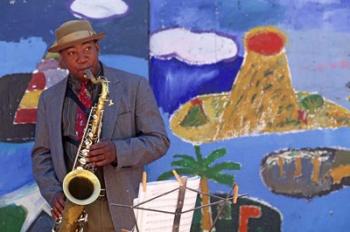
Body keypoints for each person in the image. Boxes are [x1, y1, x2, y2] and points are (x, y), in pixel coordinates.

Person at [31, 19, 170, 231]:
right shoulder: (49, 99)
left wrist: (117, 151)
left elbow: (159, 141)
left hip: (119, 208)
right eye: (71, 53)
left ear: (98, 48)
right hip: (72, 207)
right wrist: (53, 193)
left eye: (87, 48)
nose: (82, 58)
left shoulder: (134, 86)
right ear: (62, 60)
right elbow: (42, 154)